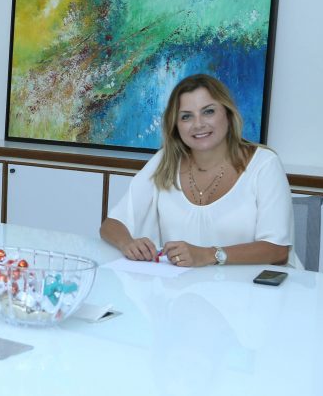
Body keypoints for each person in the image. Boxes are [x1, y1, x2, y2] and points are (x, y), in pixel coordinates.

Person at [100, 73, 296, 267]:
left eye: (208, 112)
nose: (198, 124)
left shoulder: (264, 164)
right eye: (186, 116)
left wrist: (208, 255)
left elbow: (278, 251)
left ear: (228, 114)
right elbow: (111, 225)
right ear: (176, 125)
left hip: (252, 286)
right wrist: (128, 243)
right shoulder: (165, 161)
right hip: (181, 284)